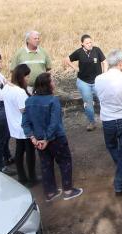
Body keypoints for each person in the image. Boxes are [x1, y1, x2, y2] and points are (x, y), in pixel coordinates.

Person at [22, 73, 83, 201]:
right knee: (65, 162)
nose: (54, 83)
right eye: (52, 81)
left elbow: (25, 123)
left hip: (38, 141)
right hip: (55, 139)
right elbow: (54, 122)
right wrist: (47, 138)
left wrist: (33, 139)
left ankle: (50, 192)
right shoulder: (53, 100)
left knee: (46, 165)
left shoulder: (29, 101)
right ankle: (68, 190)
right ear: (47, 85)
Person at [94, 49, 122, 196]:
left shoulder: (98, 79)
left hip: (107, 120)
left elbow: (98, 96)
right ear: (120, 64)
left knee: (112, 146)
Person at [63, 34, 107, 131]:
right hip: (84, 82)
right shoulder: (79, 52)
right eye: (87, 43)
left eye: (90, 42)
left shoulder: (97, 50)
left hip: (97, 82)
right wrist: (75, 68)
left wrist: (104, 74)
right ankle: (92, 122)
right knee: (88, 103)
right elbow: (66, 59)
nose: (89, 44)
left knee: (103, 101)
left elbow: (104, 62)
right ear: (82, 44)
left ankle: (107, 121)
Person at [4, 64, 38, 186]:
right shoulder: (19, 92)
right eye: (27, 76)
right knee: (30, 152)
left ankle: (22, 177)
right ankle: (32, 178)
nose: (28, 79)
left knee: (19, 151)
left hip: (14, 125)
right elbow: (24, 110)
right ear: (21, 77)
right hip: (24, 126)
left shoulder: (7, 88)